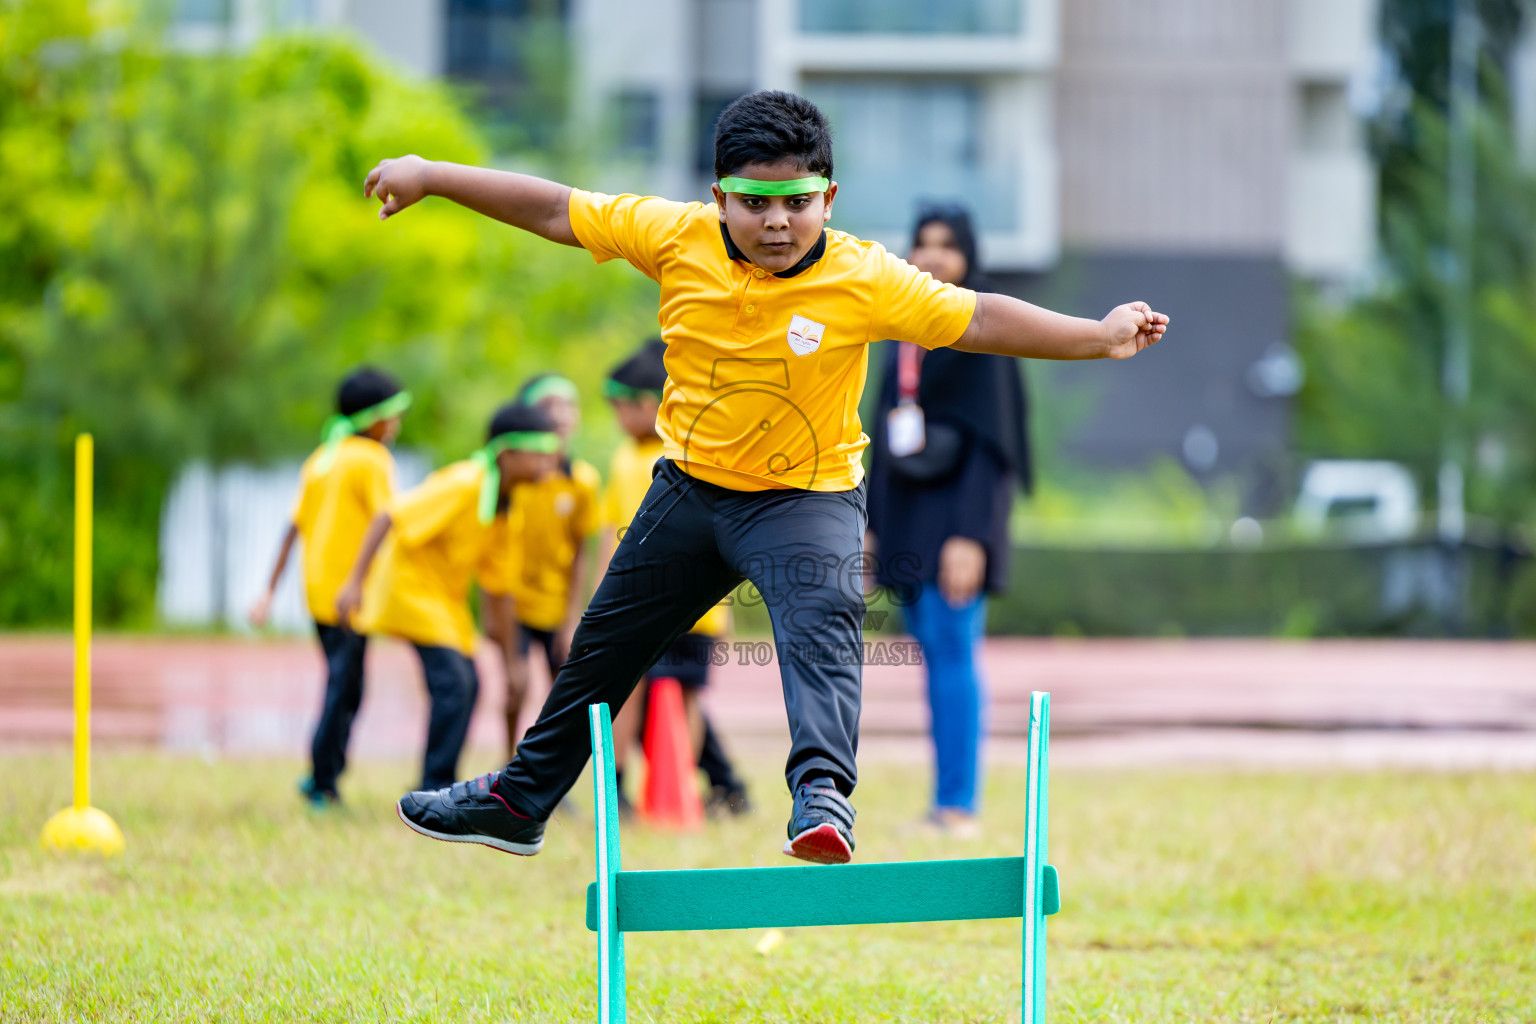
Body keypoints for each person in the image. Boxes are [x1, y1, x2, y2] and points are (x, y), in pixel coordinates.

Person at [370, 89, 1168, 864]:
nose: (777, 222)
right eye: (755, 203)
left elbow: (981, 318)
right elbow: (554, 209)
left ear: (828, 196)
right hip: (688, 490)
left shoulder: (865, 276)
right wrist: (433, 174)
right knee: (602, 648)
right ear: (720, 197)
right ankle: (519, 802)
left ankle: (822, 796)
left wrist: (1096, 337)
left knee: (821, 622)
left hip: (806, 497)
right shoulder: (671, 234)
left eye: (796, 202)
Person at [866, 205, 1031, 838]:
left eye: (948, 246)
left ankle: (958, 805)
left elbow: (996, 451)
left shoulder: (987, 331)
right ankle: (943, 801)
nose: (933, 256)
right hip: (906, 519)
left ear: (970, 257)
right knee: (931, 655)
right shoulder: (903, 333)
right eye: (922, 244)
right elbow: (881, 441)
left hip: (957, 523)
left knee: (954, 652)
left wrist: (972, 537)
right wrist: (872, 527)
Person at [333, 403, 561, 792]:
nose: (549, 461)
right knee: (455, 682)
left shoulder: (507, 507)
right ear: (507, 454)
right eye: (538, 452)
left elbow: (499, 589)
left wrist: (512, 662)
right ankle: (434, 786)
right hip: (409, 590)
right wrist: (354, 582)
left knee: (467, 683)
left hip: (442, 601)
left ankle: (438, 782)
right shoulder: (465, 482)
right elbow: (388, 514)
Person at [598, 339, 751, 818]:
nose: (619, 419)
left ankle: (620, 790)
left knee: (631, 692)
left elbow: (611, 535)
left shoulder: (634, 458)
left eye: (622, 408)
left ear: (647, 404)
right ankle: (684, 787)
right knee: (683, 695)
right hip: (701, 602)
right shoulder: (693, 450)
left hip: (648, 597)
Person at [249, 367, 410, 807]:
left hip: (319, 589)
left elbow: (292, 527)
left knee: (347, 684)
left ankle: (325, 772)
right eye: (392, 416)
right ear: (372, 419)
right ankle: (322, 781)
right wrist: (360, 581)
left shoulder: (323, 456)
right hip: (348, 593)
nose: (396, 426)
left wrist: (268, 591)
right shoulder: (372, 458)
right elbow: (385, 517)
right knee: (344, 688)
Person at [489, 373, 601, 761]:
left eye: (569, 405)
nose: (561, 415)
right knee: (515, 688)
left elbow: (582, 552)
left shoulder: (582, 481)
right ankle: (508, 769)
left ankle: (551, 779)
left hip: (555, 606)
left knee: (563, 697)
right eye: (550, 405)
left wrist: (573, 618)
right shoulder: (515, 476)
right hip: (513, 605)